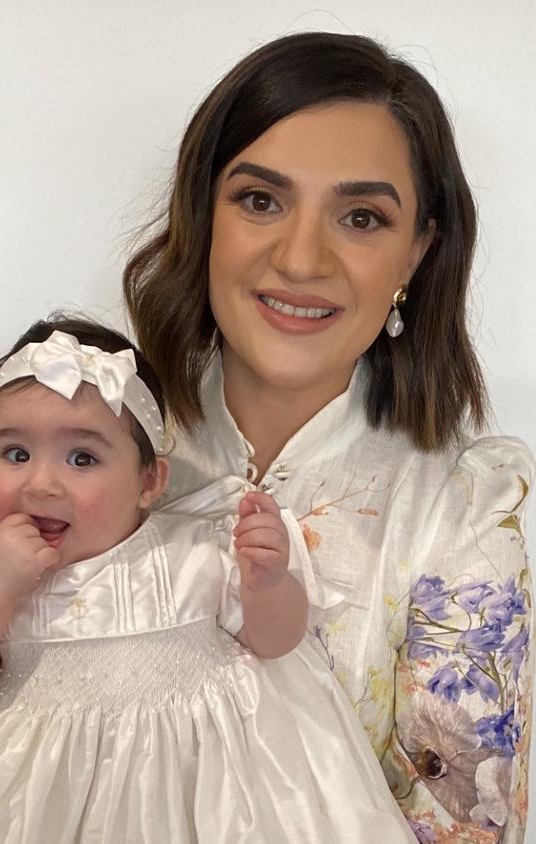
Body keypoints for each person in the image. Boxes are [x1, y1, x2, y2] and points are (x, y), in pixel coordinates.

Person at [123, 32, 534, 843]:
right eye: (260, 200)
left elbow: (457, 828)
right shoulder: (86, 440)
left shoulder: (465, 509)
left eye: (360, 217)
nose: (301, 257)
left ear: (416, 252)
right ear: (203, 215)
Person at [0, 316, 416, 843]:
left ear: (149, 481)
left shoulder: (195, 552)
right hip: (31, 802)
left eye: (82, 458)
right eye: (16, 454)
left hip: (192, 798)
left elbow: (275, 643)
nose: (41, 484)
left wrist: (267, 584)